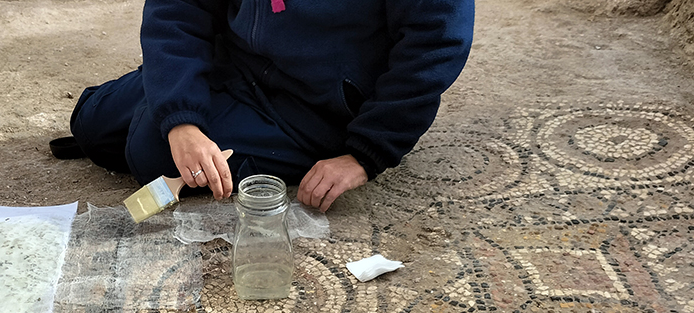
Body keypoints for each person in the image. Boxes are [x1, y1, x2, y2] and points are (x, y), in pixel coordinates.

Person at [58, 0, 474, 212]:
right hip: (236, 62)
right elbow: (178, 11)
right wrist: (181, 119)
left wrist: (367, 152)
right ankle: (175, 105)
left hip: (316, 107)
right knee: (92, 124)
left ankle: (168, 116)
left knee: (149, 151)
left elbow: (436, 43)